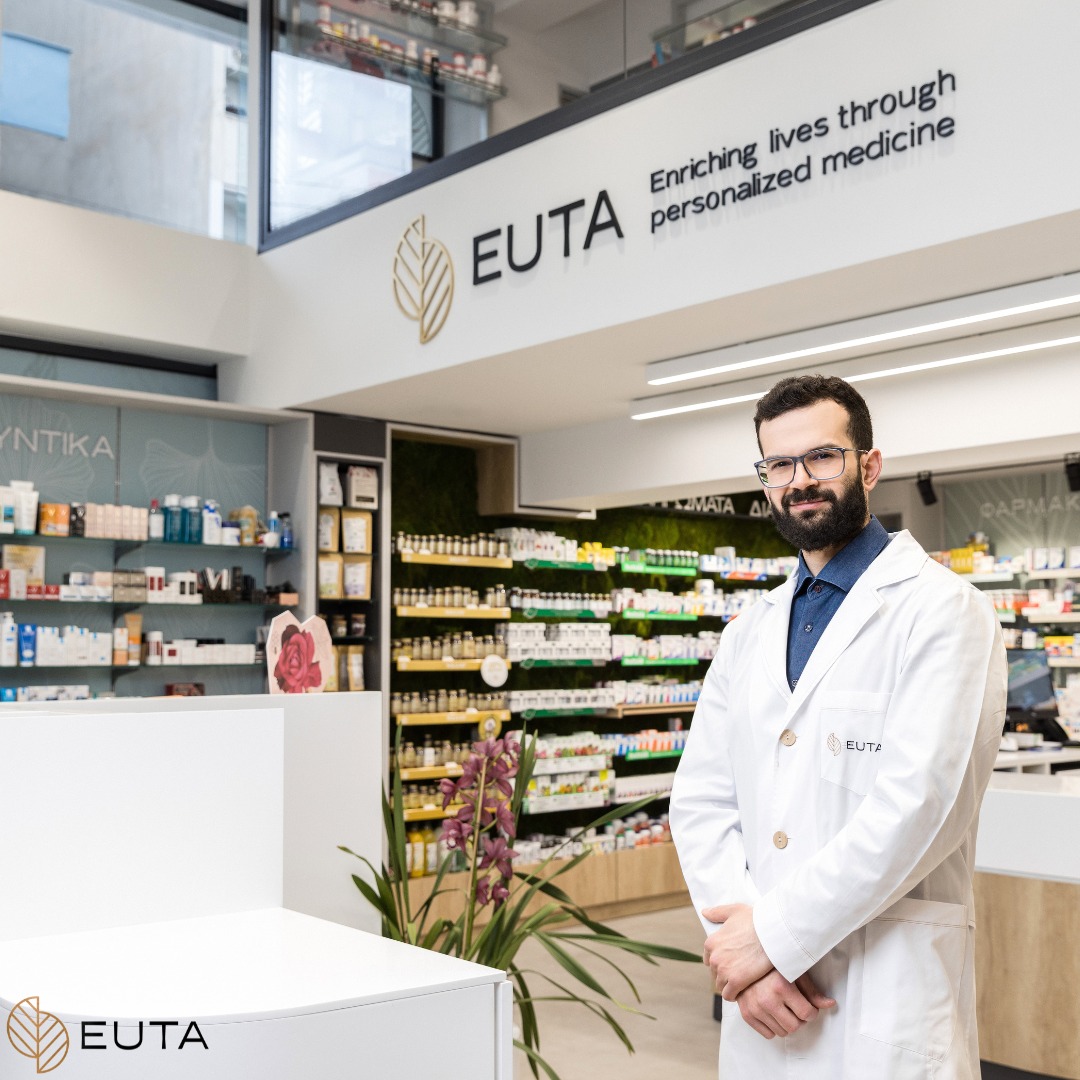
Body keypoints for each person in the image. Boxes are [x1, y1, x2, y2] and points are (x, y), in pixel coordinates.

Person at [669, 374, 1006, 1079]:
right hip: (764, 1004)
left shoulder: (944, 612)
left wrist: (771, 939)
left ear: (869, 466)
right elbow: (701, 801)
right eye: (779, 465)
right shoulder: (748, 632)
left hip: (884, 992)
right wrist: (744, 954)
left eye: (822, 457)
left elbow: (918, 809)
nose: (800, 480)